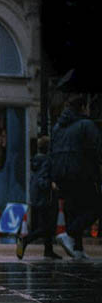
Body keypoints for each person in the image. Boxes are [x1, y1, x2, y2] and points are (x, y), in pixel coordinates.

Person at [49, 93, 102, 260]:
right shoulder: (86, 124)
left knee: (74, 209)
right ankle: (69, 234)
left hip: (62, 175)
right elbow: (97, 149)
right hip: (82, 173)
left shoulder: (58, 127)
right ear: (82, 108)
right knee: (96, 207)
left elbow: (52, 151)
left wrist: (53, 176)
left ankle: (78, 249)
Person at [16, 135, 59, 260]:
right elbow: (42, 180)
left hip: (36, 198)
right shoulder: (47, 161)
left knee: (46, 225)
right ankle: (24, 240)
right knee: (47, 227)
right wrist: (51, 185)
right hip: (46, 198)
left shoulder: (36, 160)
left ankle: (48, 250)